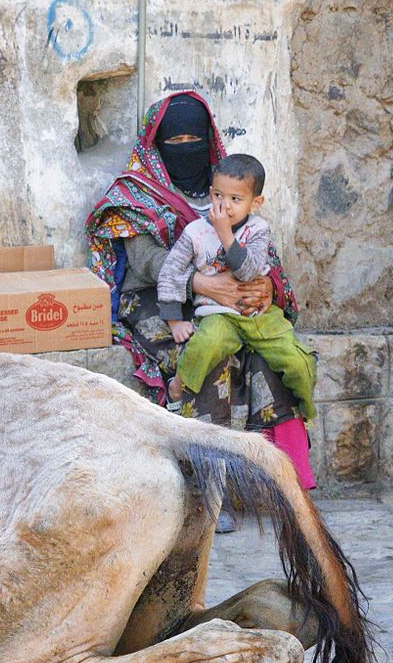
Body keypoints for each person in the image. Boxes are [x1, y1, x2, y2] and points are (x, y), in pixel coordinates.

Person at [85, 91, 315, 521]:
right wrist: (203, 284)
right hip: (158, 298)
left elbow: (260, 249)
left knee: (267, 358)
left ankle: (278, 482)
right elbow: (146, 261)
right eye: (176, 140)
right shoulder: (137, 191)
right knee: (204, 358)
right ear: (157, 143)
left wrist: (262, 287)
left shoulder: (229, 185)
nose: (186, 148)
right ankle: (208, 492)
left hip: (227, 290)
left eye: (195, 138)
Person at [158, 154, 317, 422]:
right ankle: (177, 388)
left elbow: (248, 270)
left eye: (235, 199)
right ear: (210, 193)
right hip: (219, 316)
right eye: (218, 195)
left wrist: (225, 235)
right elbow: (171, 271)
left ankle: (306, 412)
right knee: (202, 347)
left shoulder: (258, 229)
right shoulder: (195, 232)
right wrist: (174, 321)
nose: (225, 206)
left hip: (260, 317)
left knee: (298, 362)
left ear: (255, 203)